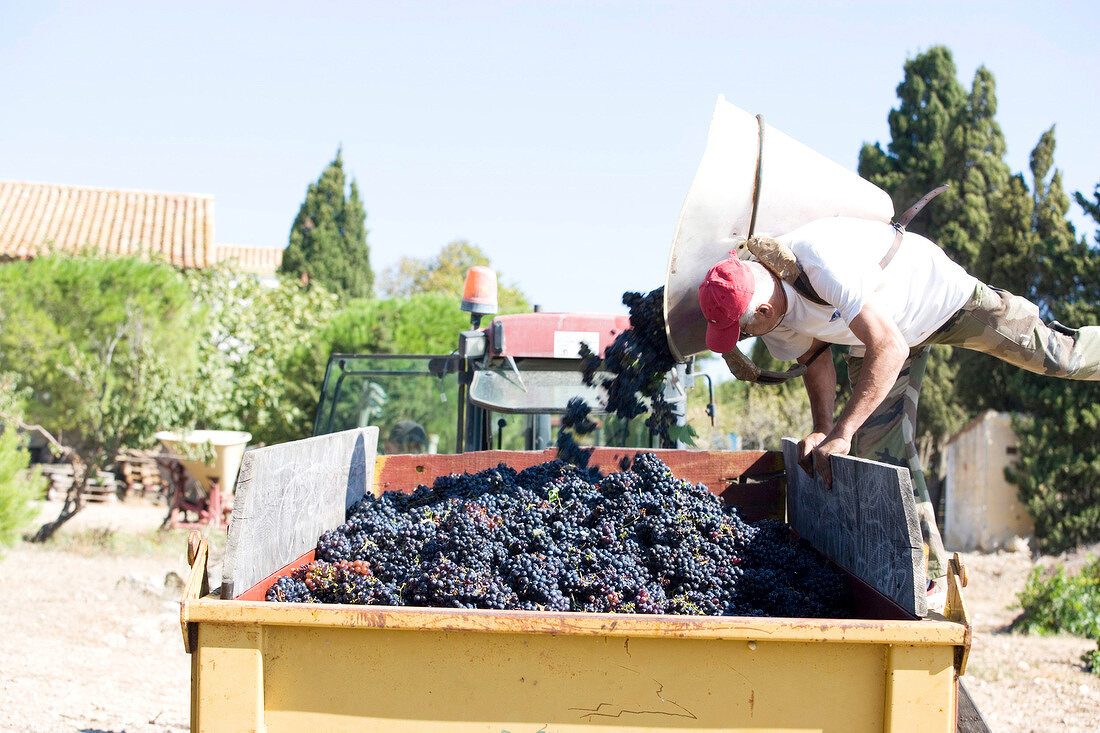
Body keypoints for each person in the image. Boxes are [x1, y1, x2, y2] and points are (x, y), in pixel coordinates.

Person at [699, 216, 1100, 600]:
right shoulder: (770, 315)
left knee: (1055, 356)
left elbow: (890, 347)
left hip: (940, 302)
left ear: (763, 312)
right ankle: (931, 578)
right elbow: (816, 359)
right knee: (881, 451)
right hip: (870, 340)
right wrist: (823, 428)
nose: (744, 338)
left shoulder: (819, 263)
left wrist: (843, 432)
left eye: (743, 330)